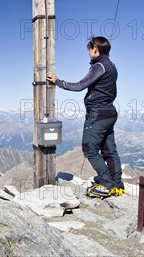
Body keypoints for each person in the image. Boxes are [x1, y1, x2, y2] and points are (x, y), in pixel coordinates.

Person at [47, 36, 124, 198]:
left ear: (95, 50)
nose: (88, 53)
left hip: (97, 113)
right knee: (109, 150)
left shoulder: (99, 66)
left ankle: (106, 184)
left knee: (89, 149)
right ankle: (117, 184)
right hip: (109, 111)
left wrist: (57, 81)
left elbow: (79, 86)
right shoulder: (112, 66)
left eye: (89, 50)